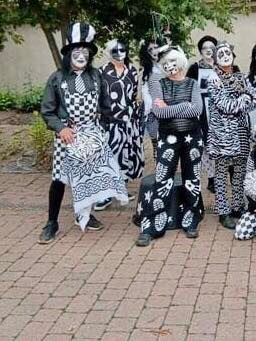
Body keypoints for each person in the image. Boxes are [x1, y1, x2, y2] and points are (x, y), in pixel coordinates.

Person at [38, 22, 128, 244]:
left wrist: (109, 123)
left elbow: (105, 106)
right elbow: (47, 111)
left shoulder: (96, 76)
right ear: (69, 54)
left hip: (92, 133)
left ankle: (86, 215)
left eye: (86, 52)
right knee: (59, 179)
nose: (82, 55)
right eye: (77, 52)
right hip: (67, 135)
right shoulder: (57, 78)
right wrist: (61, 128)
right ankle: (52, 222)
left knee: (90, 177)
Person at [135, 46, 204, 246]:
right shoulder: (159, 83)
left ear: (180, 62)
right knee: (162, 179)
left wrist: (172, 107)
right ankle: (151, 227)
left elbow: (197, 109)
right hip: (167, 138)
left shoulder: (192, 83)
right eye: (165, 65)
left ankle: (191, 221)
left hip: (192, 137)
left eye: (172, 63)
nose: (169, 67)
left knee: (192, 178)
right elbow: (159, 112)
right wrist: (185, 106)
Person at [207, 42, 256, 229]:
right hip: (223, 136)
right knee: (220, 175)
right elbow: (226, 106)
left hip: (242, 132)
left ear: (233, 56)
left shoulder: (241, 76)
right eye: (221, 54)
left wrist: (244, 100)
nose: (225, 56)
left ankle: (237, 206)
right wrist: (244, 98)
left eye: (228, 53)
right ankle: (223, 211)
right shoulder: (213, 79)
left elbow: (254, 100)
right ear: (216, 59)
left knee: (240, 173)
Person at [97, 39, 144, 210]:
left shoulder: (132, 70)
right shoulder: (101, 72)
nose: (119, 54)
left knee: (126, 155)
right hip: (110, 121)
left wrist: (136, 121)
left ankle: (120, 188)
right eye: (115, 51)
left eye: (122, 50)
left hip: (129, 121)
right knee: (109, 155)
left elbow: (134, 96)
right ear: (109, 53)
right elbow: (98, 98)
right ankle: (105, 195)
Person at [187, 35, 218, 193]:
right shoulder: (194, 68)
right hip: (202, 110)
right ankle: (212, 178)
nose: (209, 51)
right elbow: (188, 90)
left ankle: (224, 174)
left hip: (220, 109)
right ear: (200, 51)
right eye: (205, 48)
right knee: (206, 145)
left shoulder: (223, 65)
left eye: (212, 47)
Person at [138, 37, 166, 162]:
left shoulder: (168, 66)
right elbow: (144, 92)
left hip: (169, 111)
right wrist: (154, 108)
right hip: (153, 112)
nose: (154, 51)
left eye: (156, 47)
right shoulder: (145, 71)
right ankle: (159, 173)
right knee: (157, 144)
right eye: (150, 49)